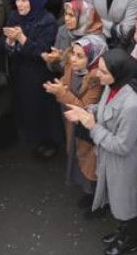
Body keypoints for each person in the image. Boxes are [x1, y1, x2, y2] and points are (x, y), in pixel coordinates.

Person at [65, 49, 137, 255]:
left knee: (128, 205)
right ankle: (124, 231)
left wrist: (91, 125)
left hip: (125, 163)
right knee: (120, 202)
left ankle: (131, 239)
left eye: (103, 71)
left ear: (117, 72)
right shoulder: (113, 86)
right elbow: (105, 111)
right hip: (112, 159)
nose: (97, 74)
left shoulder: (132, 105)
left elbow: (122, 146)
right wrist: (87, 112)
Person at [3, 0, 63, 158]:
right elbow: (3, 42)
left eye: (24, 0)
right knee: (25, 106)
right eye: (18, 0)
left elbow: (43, 51)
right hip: (20, 71)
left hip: (40, 74)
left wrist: (22, 39)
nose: (20, 4)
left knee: (43, 109)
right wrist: (10, 42)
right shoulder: (14, 16)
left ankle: (50, 142)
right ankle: (34, 138)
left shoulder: (48, 21)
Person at [44, 35, 106, 206]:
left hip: (88, 130)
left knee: (90, 162)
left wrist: (61, 93)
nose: (73, 59)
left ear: (92, 57)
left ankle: (97, 199)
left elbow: (84, 109)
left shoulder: (96, 78)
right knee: (78, 156)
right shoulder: (72, 66)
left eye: (80, 56)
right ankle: (88, 193)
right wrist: (61, 88)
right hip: (72, 124)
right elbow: (65, 82)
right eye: (73, 54)